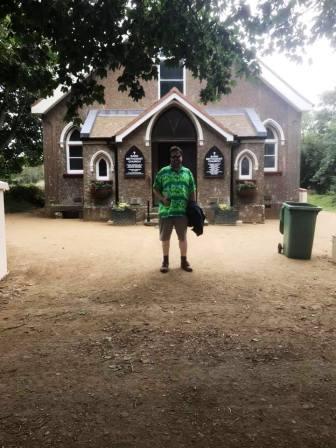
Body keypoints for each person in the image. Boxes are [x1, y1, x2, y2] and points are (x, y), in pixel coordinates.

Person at [153, 145, 196, 273]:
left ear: (182, 157)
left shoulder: (187, 172)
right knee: (165, 238)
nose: (175, 159)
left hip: (182, 212)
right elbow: (155, 188)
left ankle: (184, 261)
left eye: (178, 156)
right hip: (166, 212)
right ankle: (165, 262)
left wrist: (193, 206)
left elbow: (192, 190)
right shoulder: (163, 172)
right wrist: (161, 199)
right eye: (173, 157)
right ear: (170, 158)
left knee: (182, 238)